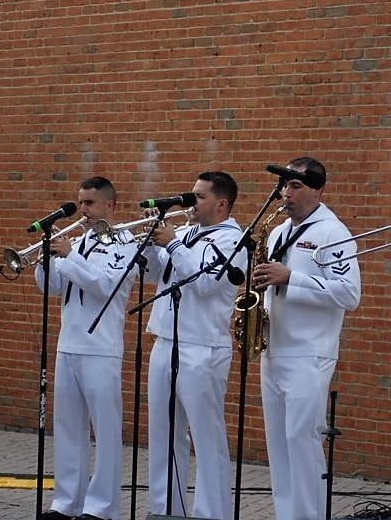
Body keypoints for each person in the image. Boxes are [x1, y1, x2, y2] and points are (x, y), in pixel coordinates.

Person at [253, 156, 361, 520]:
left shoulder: (333, 233)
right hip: (275, 350)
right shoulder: (278, 231)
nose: (286, 193)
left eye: (295, 185)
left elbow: (349, 295)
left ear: (318, 190)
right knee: (280, 448)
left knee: (302, 443)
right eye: (284, 186)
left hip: (308, 354)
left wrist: (291, 279)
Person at [143, 171, 247, 519]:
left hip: (202, 347)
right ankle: (166, 509)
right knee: (163, 434)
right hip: (166, 340)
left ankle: (211, 513)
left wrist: (171, 244)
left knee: (206, 438)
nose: (190, 202)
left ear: (221, 203)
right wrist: (151, 247)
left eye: (199, 196)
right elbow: (158, 275)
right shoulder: (185, 233)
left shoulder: (234, 240)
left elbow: (204, 284)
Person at [36, 176, 138, 520]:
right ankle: (66, 502)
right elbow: (52, 287)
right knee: (68, 428)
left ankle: (102, 507)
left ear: (109, 205)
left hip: (102, 346)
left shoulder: (124, 241)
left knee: (106, 430)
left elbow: (104, 284)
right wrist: (45, 257)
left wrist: (68, 256)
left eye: (90, 203)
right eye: (80, 202)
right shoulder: (77, 242)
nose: (83, 209)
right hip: (69, 345)